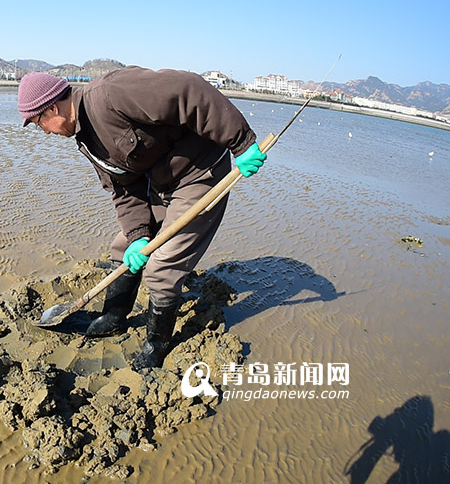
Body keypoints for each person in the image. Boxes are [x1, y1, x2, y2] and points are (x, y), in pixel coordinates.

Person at [17, 68, 266, 368]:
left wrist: (240, 141)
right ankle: (112, 318)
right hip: (163, 182)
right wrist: (138, 235)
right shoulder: (85, 138)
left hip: (201, 172)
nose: (45, 132)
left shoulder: (112, 94)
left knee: (162, 266)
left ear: (53, 108)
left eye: (39, 123)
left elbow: (188, 89)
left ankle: (155, 346)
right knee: (123, 247)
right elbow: (122, 187)